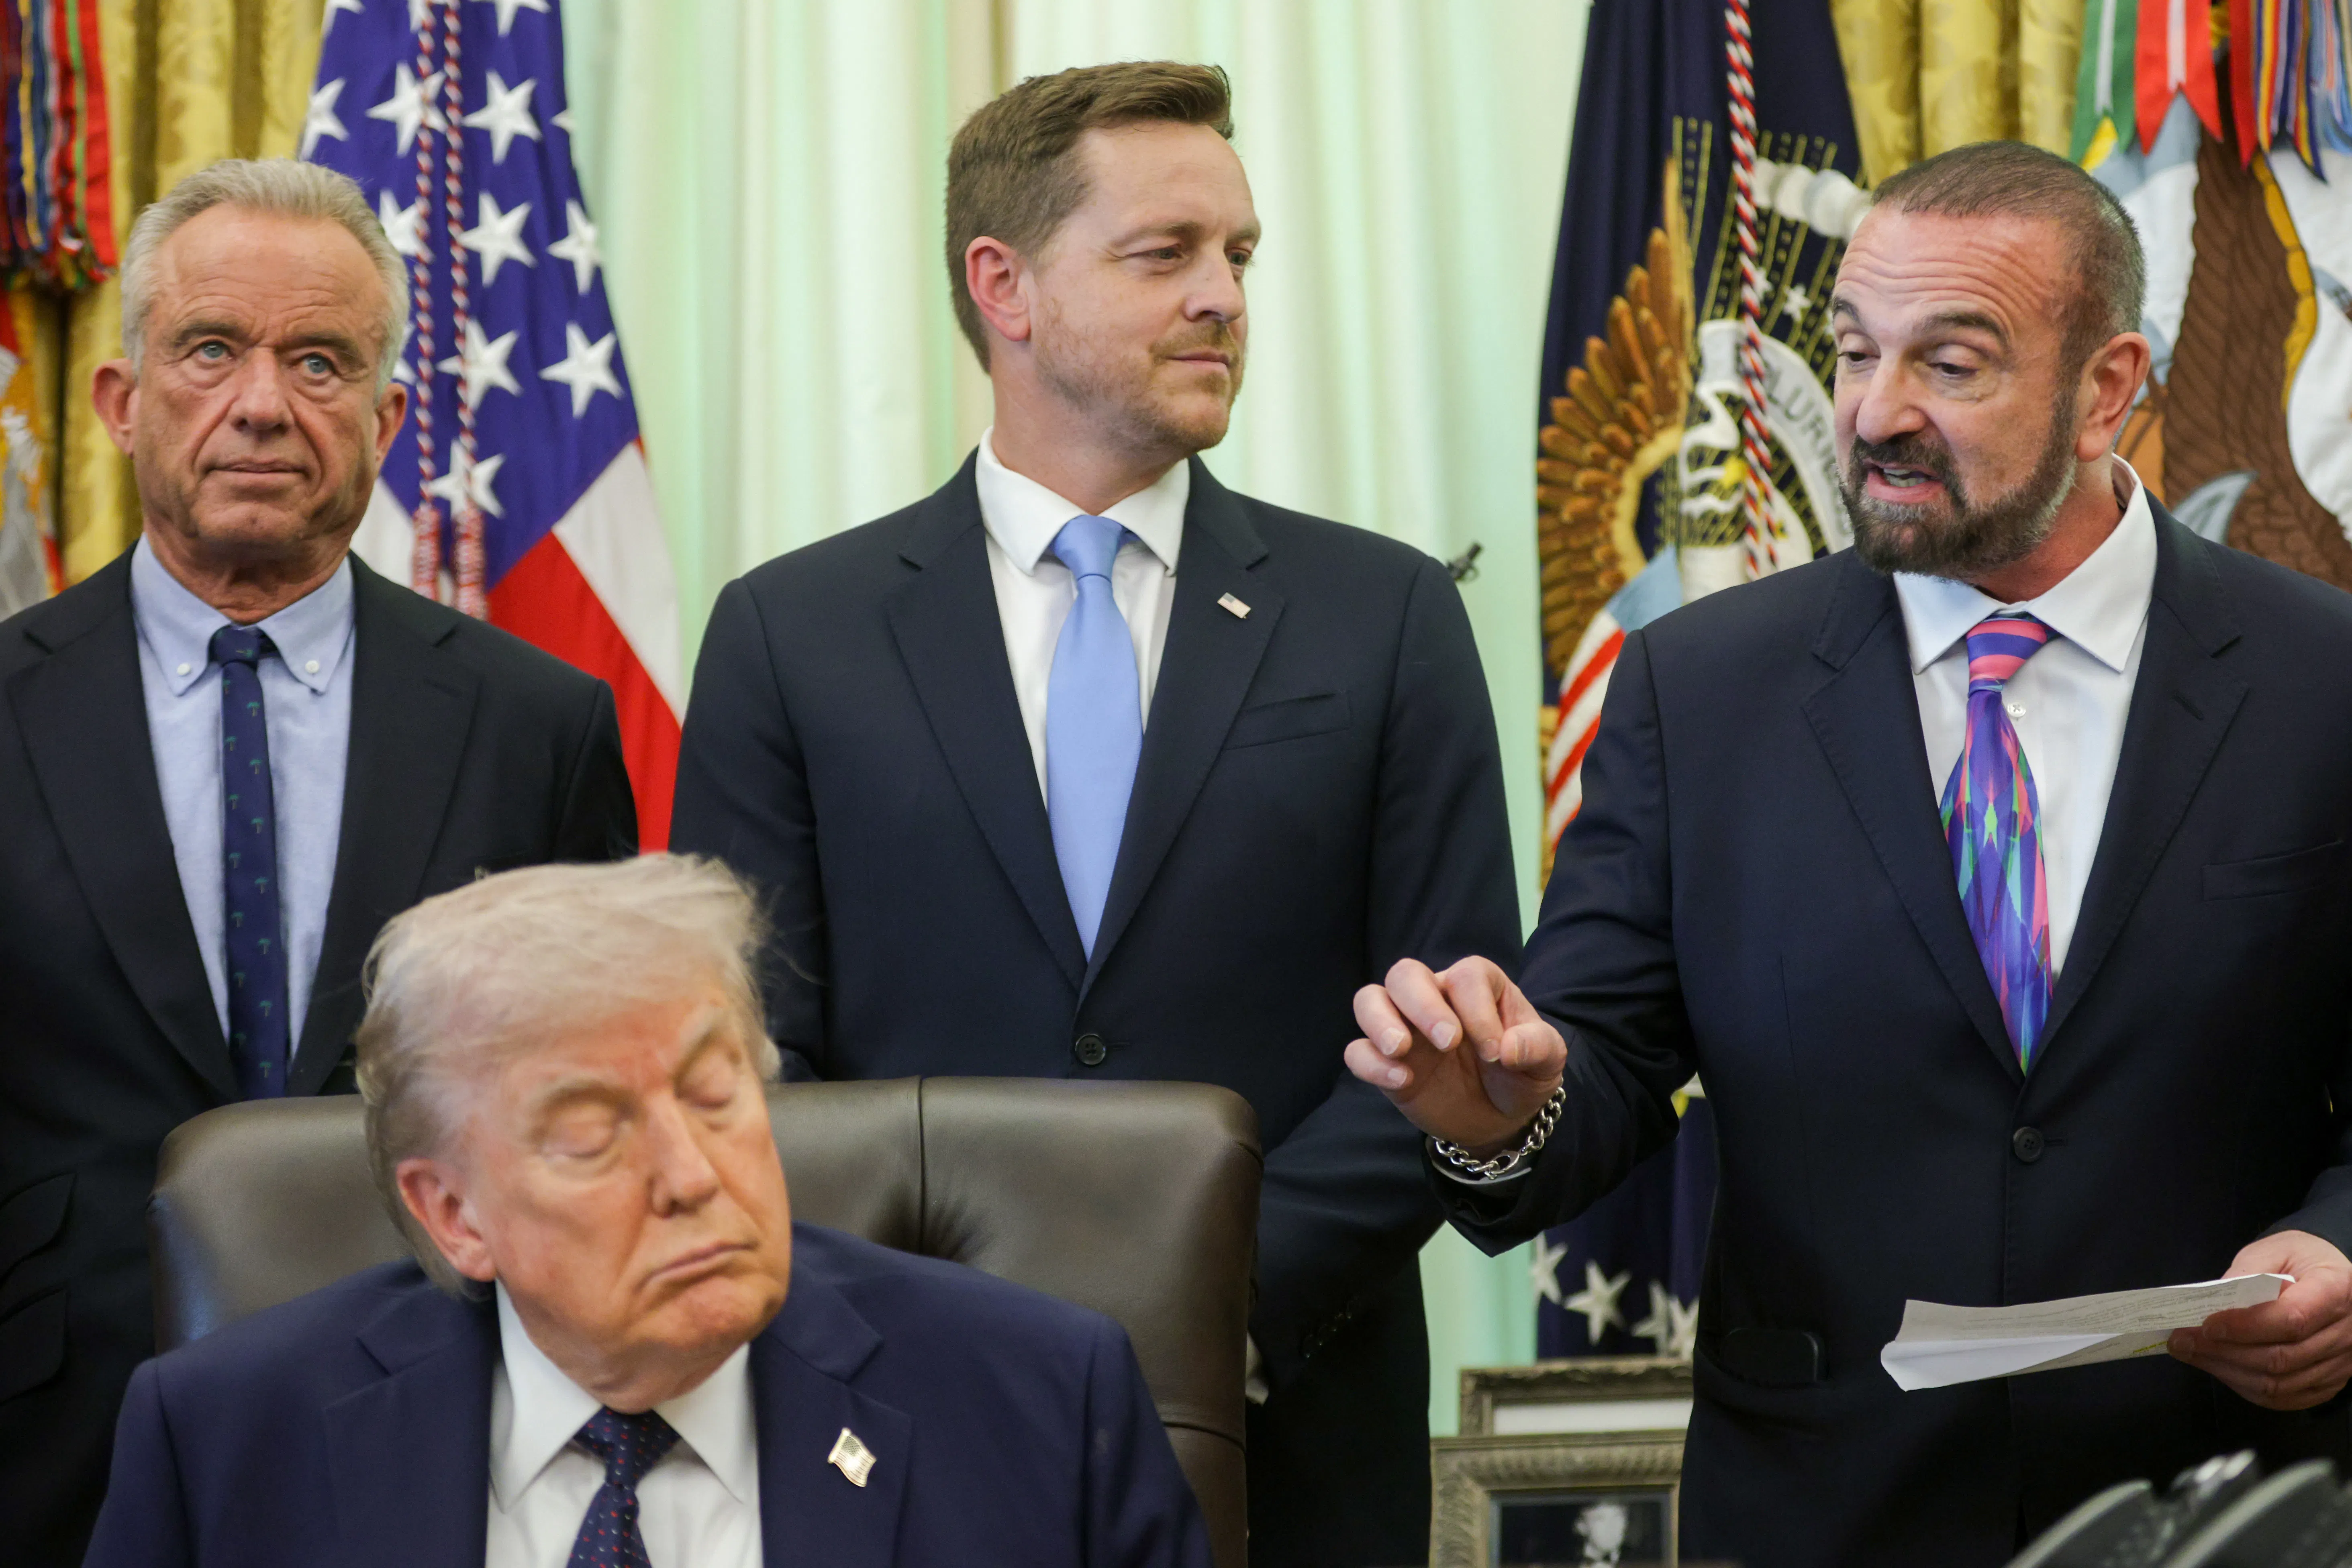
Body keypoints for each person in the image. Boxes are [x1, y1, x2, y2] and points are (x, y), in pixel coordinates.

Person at [1346, 140, 2352, 1567]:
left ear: (2108, 391)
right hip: (1829, 1509)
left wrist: (2342, 1255)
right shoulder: (1700, 689)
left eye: (1950, 364)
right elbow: (1600, 1067)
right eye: (1856, 351)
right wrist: (1498, 1111)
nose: (1871, 413)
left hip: (2231, 1497)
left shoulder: (2324, 681)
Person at [670, 61, 1519, 1565]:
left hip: (1295, 1433)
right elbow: (748, 1052)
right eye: (1165, 254)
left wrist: (1205, 1301)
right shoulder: (790, 634)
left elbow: (1446, 1030)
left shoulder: (1382, 615)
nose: (1224, 298)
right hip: (893, 1427)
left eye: (1240, 256)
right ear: (1003, 283)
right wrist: (948, 1326)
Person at [0, 159, 635, 1565]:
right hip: (48, 1439)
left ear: (390, 417)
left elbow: (597, 1101)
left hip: (446, 1427)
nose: (265, 405)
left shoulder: (539, 724)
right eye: (211, 350)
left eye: (321, 362)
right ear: (121, 402)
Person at [80, 855, 1212, 1568]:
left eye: (716, 1095)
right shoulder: (224, 1443)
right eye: (591, 1135)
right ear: (453, 1214)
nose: (690, 1174)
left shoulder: (1040, 1408)